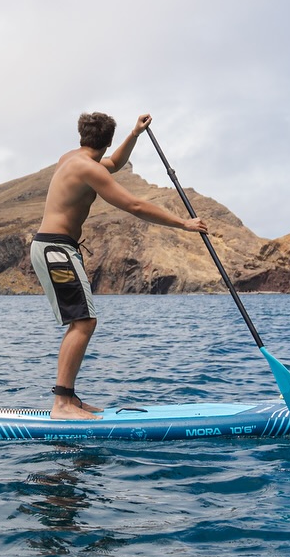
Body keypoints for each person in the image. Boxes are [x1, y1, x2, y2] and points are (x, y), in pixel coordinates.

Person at [30, 112, 209, 420]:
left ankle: (69, 399)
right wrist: (184, 223)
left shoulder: (73, 158)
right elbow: (135, 206)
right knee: (83, 323)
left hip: (55, 248)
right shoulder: (88, 168)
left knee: (82, 321)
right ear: (106, 140)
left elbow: (113, 163)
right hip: (56, 251)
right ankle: (61, 405)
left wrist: (135, 134)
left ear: (82, 136)